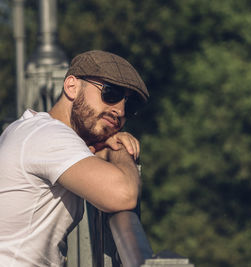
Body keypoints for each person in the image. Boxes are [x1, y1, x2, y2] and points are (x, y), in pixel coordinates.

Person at [0, 50, 149, 266]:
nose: (119, 110)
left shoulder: (27, 128)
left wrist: (101, 148)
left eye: (130, 105)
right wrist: (117, 149)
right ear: (72, 86)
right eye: (110, 93)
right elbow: (123, 194)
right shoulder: (49, 135)